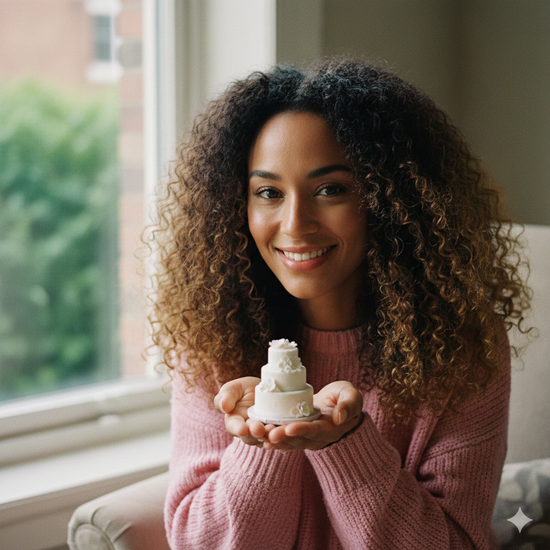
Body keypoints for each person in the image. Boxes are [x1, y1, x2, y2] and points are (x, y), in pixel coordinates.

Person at [150, 58, 531, 549]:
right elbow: (199, 544)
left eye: (330, 189)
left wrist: (344, 443)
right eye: (268, 192)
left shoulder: (462, 348)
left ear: (393, 201)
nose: (294, 223)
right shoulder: (211, 341)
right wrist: (268, 432)